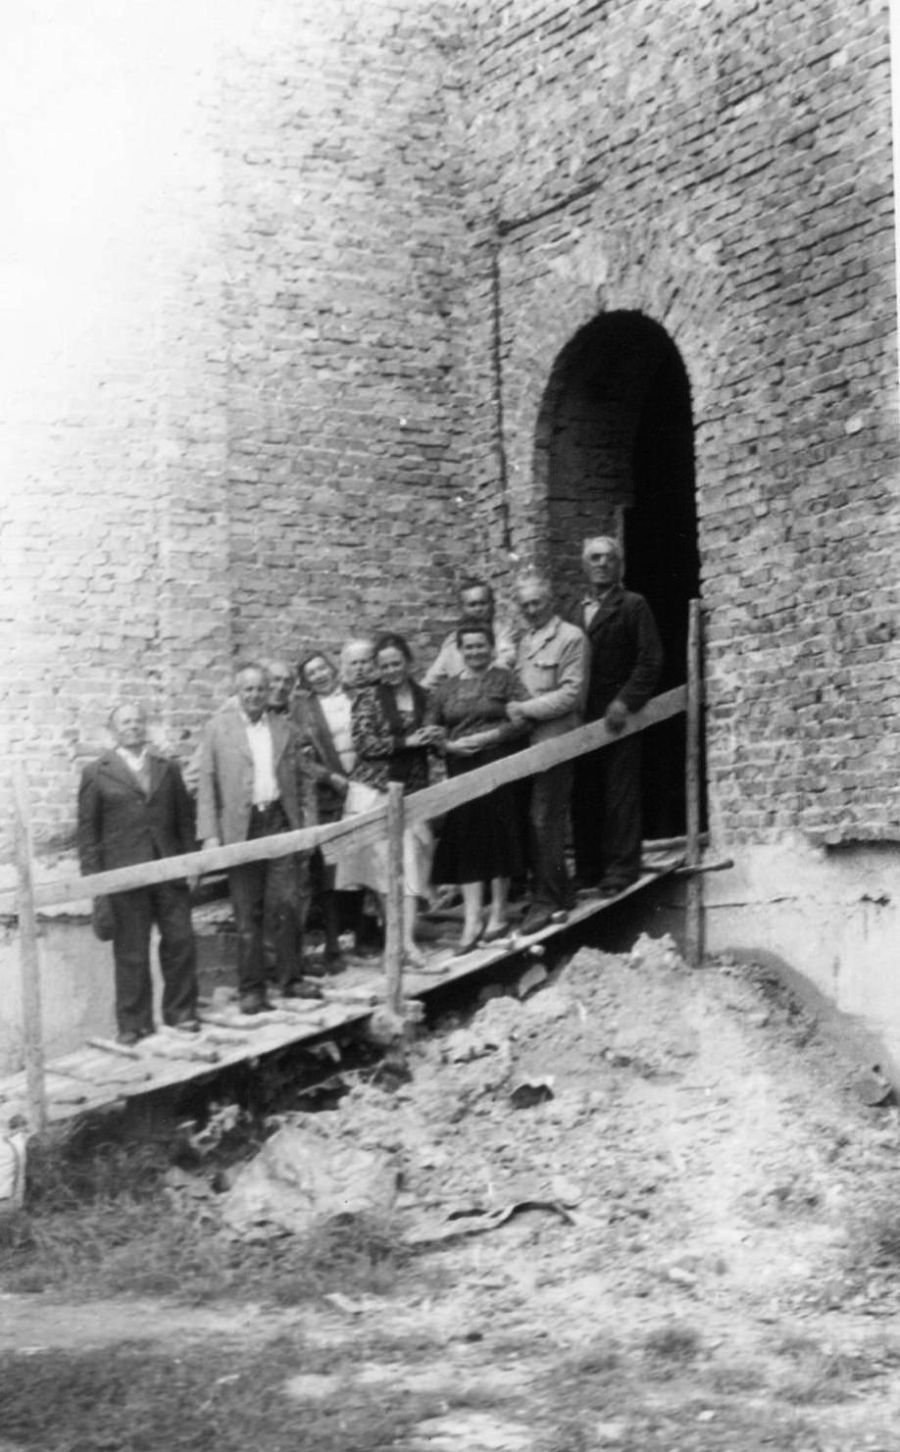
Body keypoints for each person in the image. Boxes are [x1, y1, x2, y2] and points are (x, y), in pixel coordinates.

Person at [195, 662, 320, 1012]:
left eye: (260, 689)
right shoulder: (218, 729)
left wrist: (307, 828)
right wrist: (210, 835)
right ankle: (252, 988)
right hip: (241, 830)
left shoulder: (285, 728)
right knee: (247, 912)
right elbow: (207, 784)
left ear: (269, 693)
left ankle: (291, 978)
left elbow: (305, 781)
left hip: (279, 822)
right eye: (247, 689)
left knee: (287, 905)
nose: (255, 695)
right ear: (237, 692)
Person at [76, 703, 199, 1045]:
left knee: (180, 941)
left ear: (146, 727)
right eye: (126, 722)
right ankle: (134, 1023)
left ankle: (181, 1013)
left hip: (168, 868)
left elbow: (185, 821)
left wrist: (191, 863)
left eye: (138, 721)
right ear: (113, 731)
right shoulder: (96, 772)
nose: (133, 726)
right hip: (124, 873)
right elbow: (87, 833)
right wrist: (95, 883)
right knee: (131, 949)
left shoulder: (167, 768)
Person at [337, 632, 440, 968]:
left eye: (397, 664)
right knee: (383, 871)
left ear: (408, 663)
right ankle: (397, 942)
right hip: (375, 791)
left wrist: (436, 738)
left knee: (412, 865)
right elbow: (364, 743)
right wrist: (407, 742)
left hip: (412, 790)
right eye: (385, 666)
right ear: (377, 668)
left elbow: (432, 742)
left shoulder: (425, 697)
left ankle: (404, 941)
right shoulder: (368, 698)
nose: (392, 671)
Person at [427, 623, 529, 952]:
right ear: (459, 650)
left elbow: (524, 718)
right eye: (468, 647)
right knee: (468, 838)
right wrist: (449, 746)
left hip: (498, 763)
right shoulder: (446, 688)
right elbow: (431, 729)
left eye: (480, 646)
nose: (475, 652)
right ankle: (472, 919)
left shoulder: (506, 679)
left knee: (499, 835)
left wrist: (490, 737)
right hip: (461, 767)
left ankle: (497, 913)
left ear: (491, 648)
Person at [571, 536, 663, 894]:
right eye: (594, 558)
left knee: (619, 793)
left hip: (618, 717)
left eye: (609, 558)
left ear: (619, 565)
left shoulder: (633, 605)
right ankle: (588, 870)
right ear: (585, 566)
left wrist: (625, 701)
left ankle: (622, 870)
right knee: (585, 793)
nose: (601, 564)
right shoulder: (574, 611)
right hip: (582, 718)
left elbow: (650, 660)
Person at [507, 569, 588, 936]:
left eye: (537, 603)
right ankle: (559, 890)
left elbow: (571, 694)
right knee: (535, 819)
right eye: (525, 605)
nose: (531, 610)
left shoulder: (571, 638)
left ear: (550, 601)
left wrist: (525, 710)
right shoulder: (524, 641)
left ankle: (546, 900)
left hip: (555, 740)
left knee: (545, 818)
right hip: (526, 742)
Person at [292, 651, 355, 970]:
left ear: (333, 668)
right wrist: (329, 777)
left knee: (365, 860)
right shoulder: (302, 709)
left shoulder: (354, 697)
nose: (319, 675)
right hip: (329, 796)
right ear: (306, 681)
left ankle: (366, 933)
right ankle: (332, 943)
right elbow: (299, 757)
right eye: (311, 673)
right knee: (329, 870)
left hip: (364, 787)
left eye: (322, 668)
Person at [423, 578, 518, 689]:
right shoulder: (452, 642)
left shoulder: (504, 634)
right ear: (461, 608)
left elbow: (505, 662)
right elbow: (431, 680)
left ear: (492, 604)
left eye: (483, 603)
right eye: (472, 605)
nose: (478, 609)